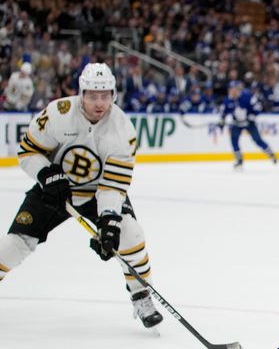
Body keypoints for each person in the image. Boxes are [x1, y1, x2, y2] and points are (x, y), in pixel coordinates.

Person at [2, 63, 163, 329]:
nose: (99, 103)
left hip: (96, 194)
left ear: (113, 94)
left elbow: (113, 185)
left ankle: (141, 295)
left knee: (130, 234)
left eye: (105, 95)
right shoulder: (58, 114)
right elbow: (28, 151)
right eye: (92, 95)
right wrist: (46, 174)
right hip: (53, 191)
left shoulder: (123, 130)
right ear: (81, 93)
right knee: (14, 244)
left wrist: (109, 220)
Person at [218, 80, 277, 169]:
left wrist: (250, 117)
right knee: (234, 140)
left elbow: (258, 108)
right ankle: (239, 160)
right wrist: (221, 121)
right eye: (230, 89)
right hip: (237, 123)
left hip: (249, 123)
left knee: (257, 140)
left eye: (234, 89)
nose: (232, 91)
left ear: (238, 89)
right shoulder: (227, 100)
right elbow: (223, 112)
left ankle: (270, 153)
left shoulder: (248, 97)